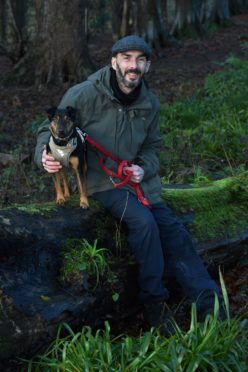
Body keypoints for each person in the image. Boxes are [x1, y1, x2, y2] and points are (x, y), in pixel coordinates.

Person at [34, 35, 221, 334]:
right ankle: (155, 307)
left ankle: (213, 311)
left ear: (147, 65)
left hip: (139, 185)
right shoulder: (83, 94)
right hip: (100, 183)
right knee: (144, 224)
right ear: (113, 62)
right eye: (126, 58)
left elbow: (153, 148)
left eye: (140, 60)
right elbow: (47, 129)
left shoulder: (149, 103)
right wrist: (43, 156)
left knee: (175, 234)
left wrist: (142, 168)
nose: (133, 66)